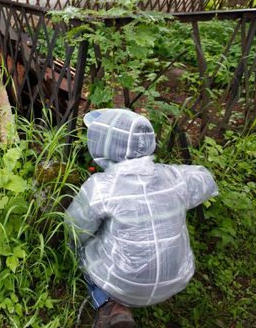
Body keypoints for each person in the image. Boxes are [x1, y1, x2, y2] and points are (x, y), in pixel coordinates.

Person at [65, 108, 218, 328]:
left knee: (82, 247)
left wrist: (71, 248)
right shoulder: (173, 176)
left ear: (104, 146)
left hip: (123, 283)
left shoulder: (100, 187)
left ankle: (111, 306)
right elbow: (205, 180)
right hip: (176, 277)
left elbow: (74, 228)